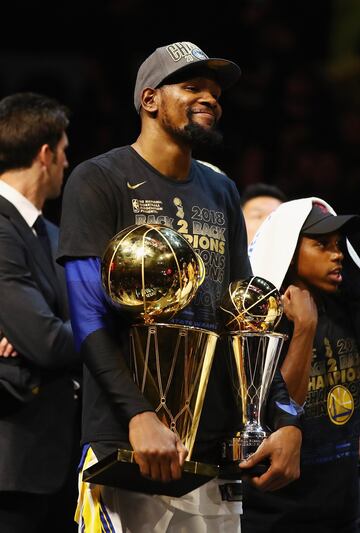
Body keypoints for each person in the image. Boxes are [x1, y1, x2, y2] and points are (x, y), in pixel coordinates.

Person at [57, 41, 303, 532]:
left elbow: (245, 315)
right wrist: (138, 414)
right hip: (130, 444)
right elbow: (87, 317)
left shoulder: (222, 191)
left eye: (215, 92)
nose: (210, 98)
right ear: (149, 100)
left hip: (214, 447)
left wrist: (286, 418)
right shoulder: (98, 179)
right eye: (192, 87)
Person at [244, 197, 360, 533]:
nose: (336, 254)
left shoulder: (346, 308)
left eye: (339, 245)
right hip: (277, 517)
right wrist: (304, 328)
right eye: (321, 245)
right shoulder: (258, 321)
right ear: (288, 249)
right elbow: (279, 413)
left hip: (343, 512)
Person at [0, 92, 81, 533]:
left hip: (57, 459)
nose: (68, 164)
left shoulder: (51, 232)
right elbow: (47, 342)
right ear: (46, 154)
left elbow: (47, 334)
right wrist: (102, 327)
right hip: (11, 466)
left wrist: (40, 334)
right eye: (65, 151)